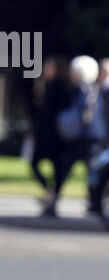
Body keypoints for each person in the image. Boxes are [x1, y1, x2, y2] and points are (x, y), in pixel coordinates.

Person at [54, 55, 107, 203]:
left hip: (83, 136)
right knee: (91, 170)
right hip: (92, 136)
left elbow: (85, 111)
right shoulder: (95, 88)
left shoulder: (82, 89)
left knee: (68, 168)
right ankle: (94, 201)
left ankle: (55, 197)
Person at [28, 55, 71, 216]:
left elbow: (50, 113)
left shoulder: (59, 87)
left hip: (54, 137)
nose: (46, 70)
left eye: (49, 67)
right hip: (48, 136)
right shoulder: (46, 86)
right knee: (39, 165)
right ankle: (50, 195)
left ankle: (51, 199)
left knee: (55, 169)